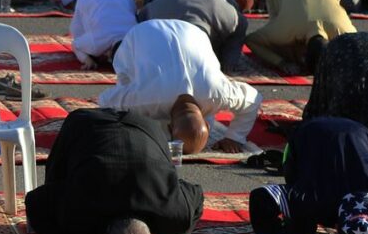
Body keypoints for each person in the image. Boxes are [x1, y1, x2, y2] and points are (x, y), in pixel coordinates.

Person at [26, 107, 205, 234]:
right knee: (56, 184)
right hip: (86, 125)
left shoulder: (173, 209)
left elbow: (197, 195)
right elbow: (35, 200)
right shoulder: (80, 204)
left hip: (145, 127)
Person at [100, 19, 262, 153]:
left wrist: (235, 138)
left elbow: (254, 99)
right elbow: (105, 101)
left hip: (193, 31)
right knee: (127, 84)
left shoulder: (217, 94)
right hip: (140, 35)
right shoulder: (144, 100)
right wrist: (234, 137)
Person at [245, 0, 356, 73]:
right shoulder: (285, 29)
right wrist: (281, 63)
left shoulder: (344, 31)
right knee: (275, 40)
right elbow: (251, 40)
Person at [139, 0, 246, 71]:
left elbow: (241, 22)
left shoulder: (158, 19)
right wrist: (229, 63)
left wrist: (229, 63)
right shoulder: (158, 17)